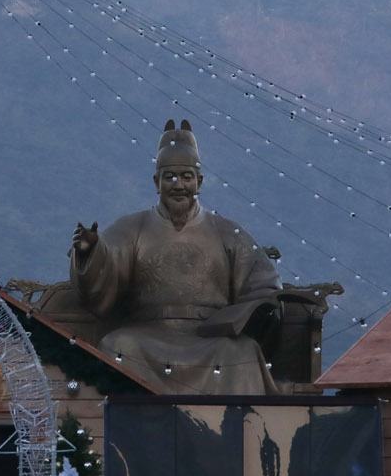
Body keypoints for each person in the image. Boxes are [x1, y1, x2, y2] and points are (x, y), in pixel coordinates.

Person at [69, 118, 282, 395]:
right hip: (148, 333)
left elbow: (263, 280)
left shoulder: (226, 231)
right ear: (156, 182)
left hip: (210, 337)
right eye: (169, 177)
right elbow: (108, 257)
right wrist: (90, 253)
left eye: (186, 177)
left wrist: (255, 305)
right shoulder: (133, 227)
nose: (178, 185)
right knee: (117, 346)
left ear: (199, 181)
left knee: (242, 351)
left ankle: (232, 430)